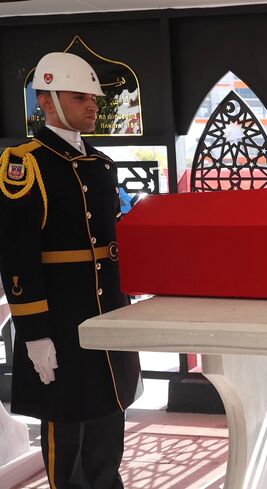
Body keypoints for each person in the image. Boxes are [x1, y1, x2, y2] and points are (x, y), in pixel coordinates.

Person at [0, 52, 141, 488]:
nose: (92, 105)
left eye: (94, 98)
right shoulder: (25, 164)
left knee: (109, 411)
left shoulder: (100, 164)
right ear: (46, 102)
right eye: (80, 97)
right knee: (68, 421)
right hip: (61, 318)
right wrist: (35, 332)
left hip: (107, 312)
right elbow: (18, 254)